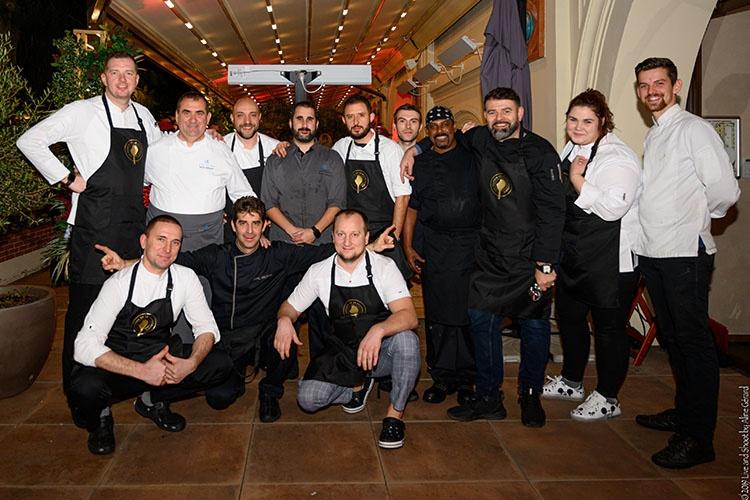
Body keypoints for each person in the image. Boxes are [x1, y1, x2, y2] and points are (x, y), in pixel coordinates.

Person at [402, 87, 565, 427]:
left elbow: (553, 212)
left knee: (534, 326)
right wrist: (413, 150)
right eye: (492, 112)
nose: (499, 119)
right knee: (480, 320)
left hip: (529, 257)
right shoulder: (479, 139)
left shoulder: (541, 152)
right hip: (490, 253)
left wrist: (546, 264)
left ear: (520, 113)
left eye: (506, 111)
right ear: (484, 116)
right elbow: (440, 137)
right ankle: (489, 396)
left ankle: (530, 395)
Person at [16, 52, 163, 400]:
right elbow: (29, 140)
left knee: (128, 312)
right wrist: (66, 178)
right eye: (115, 73)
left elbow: (162, 157)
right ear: (103, 78)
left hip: (133, 228)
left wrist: (204, 138)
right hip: (94, 229)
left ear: (137, 80)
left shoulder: (144, 116)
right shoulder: (81, 112)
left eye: (129, 73)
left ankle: (123, 385)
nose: (122, 79)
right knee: (86, 315)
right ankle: (81, 395)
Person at [632, 57, 740, 469]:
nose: (651, 91)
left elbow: (725, 191)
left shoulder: (694, 129)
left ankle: (699, 438)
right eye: (644, 85)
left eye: (659, 83)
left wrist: (697, 217)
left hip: (684, 254)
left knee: (694, 343)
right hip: (656, 253)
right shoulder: (656, 133)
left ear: (675, 86)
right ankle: (684, 411)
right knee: (674, 338)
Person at [67, 215, 233, 455]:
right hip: (120, 364)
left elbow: (207, 328)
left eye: (175, 242)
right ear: (144, 241)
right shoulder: (118, 284)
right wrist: (141, 371)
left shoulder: (185, 278)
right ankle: (101, 418)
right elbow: (84, 345)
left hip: (159, 358)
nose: (167, 249)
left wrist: (191, 363)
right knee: (85, 387)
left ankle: (152, 400)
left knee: (220, 363)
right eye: (161, 239)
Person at [274, 209, 420, 449]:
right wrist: (284, 320)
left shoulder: (384, 267)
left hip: (380, 353)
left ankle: (394, 416)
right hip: (344, 353)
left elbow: (409, 316)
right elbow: (288, 308)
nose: (347, 241)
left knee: (407, 340)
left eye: (355, 234)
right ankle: (357, 386)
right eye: (341, 234)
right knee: (308, 399)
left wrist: (378, 330)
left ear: (366, 237)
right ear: (333, 237)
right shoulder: (319, 272)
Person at [541, 89, 642, 422]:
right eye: (573, 120)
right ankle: (572, 381)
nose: (578, 127)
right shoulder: (572, 148)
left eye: (587, 121)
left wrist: (576, 179)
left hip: (610, 260)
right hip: (576, 254)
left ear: (603, 122)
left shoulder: (618, 157)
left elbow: (613, 209)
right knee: (569, 317)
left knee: (609, 329)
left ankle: (609, 397)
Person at [401, 106, 478, 405]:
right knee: (437, 314)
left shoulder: (472, 154)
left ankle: (468, 379)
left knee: (466, 314)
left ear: (454, 126)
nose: (440, 131)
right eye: (434, 127)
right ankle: (442, 377)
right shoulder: (422, 163)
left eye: (445, 125)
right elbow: (412, 209)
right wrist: (408, 247)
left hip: (469, 246)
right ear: (428, 132)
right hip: (434, 246)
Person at [332, 95, 413, 279]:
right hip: (352, 236)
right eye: (350, 117)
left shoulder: (389, 149)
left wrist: (393, 237)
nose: (355, 122)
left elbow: (403, 197)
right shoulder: (340, 147)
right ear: (344, 120)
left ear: (371, 117)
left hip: (383, 231)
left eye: (361, 115)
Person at [261, 100, 346, 245]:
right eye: (299, 119)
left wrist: (315, 231)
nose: (304, 124)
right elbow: (268, 203)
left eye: (310, 119)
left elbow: (337, 202)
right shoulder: (275, 160)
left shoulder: (332, 158)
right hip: (284, 242)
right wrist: (293, 232)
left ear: (316, 124)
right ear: (291, 123)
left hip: (322, 242)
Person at [222, 97, 280, 242]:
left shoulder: (274, 148)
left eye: (252, 115)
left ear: (259, 117)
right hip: (230, 227)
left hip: (267, 226)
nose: (247, 121)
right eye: (240, 115)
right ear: (232, 118)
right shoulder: (221, 147)